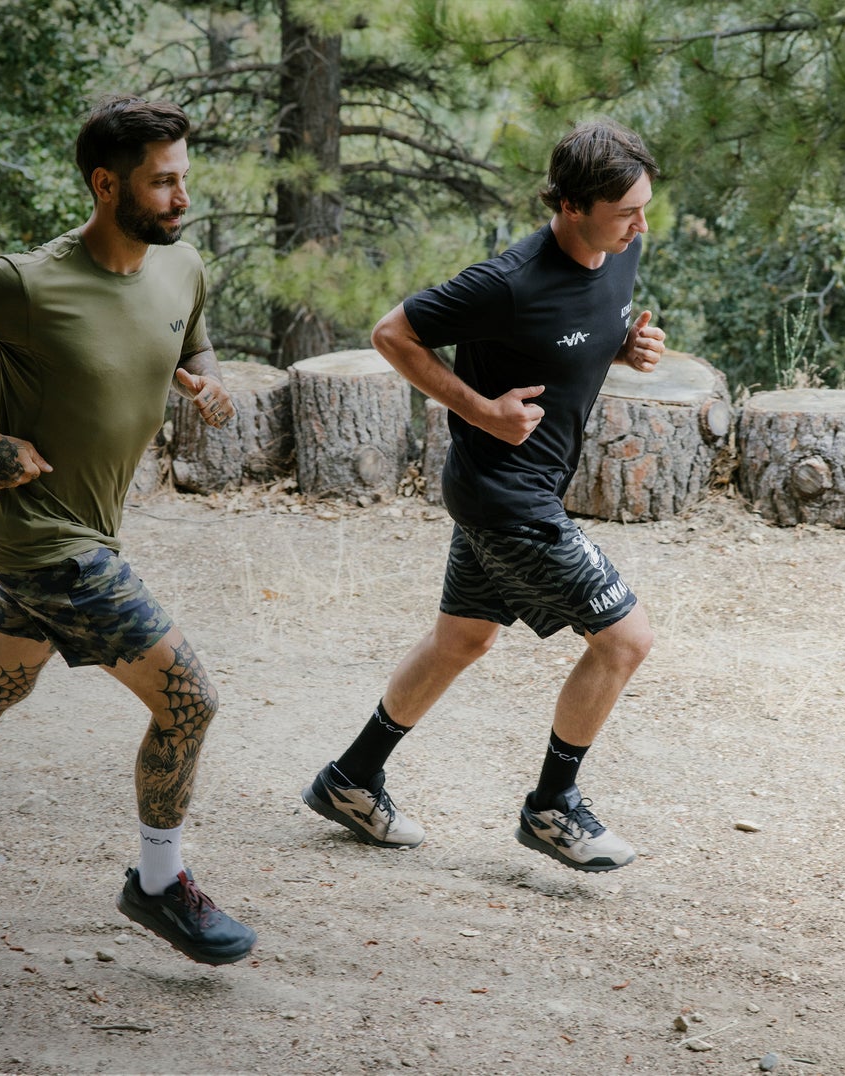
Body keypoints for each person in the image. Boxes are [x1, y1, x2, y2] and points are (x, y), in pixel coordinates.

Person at [0, 95, 256, 964]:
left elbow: (190, 348)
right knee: (189, 702)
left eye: (185, 179)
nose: (183, 198)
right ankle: (156, 884)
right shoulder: (26, 283)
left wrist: (202, 384)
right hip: (45, 537)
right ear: (107, 186)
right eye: (163, 182)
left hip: (91, 530)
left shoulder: (182, 269)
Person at [301, 119, 666, 873]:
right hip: (506, 497)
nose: (640, 224)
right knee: (625, 640)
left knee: (462, 640)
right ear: (570, 205)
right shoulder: (508, 281)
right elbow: (391, 333)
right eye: (626, 210)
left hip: (506, 491)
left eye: (644, 207)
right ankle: (551, 807)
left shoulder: (621, 250)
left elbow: (589, 327)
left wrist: (628, 345)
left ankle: (350, 779)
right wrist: (479, 409)